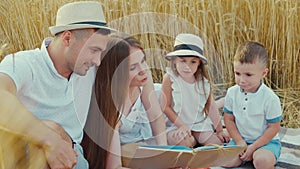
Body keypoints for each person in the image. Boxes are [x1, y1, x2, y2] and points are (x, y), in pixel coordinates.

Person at [0, 1, 114, 169]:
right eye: (93, 50)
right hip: (27, 158)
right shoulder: (24, 63)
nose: (97, 61)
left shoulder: (87, 68)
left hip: (74, 157)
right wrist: (50, 139)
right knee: (49, 130)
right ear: (67, 38)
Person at [82, 33, 167, 169]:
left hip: (143, 132)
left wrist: (166, 155)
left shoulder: (145, 78)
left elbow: (156, 117)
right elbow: (114, 166)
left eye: (143, 61)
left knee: (182, 141)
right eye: (133, 67)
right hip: (124, 147)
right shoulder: (111, 104)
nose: (143, 70)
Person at [160, 33, 229, 148]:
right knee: (184, 143)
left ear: (199, 63)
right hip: (176, 124)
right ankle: (192, 142)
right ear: (174, 61)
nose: (187, 66)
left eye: (193, 62)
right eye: (183, 61)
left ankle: (196, 141)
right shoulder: (170, 78)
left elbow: (210, 106)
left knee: (216, 144)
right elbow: (165, 106)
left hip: (198, 124)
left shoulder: (202, 81)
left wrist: (219, 130)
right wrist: (182, 126)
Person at [222, 41, 282, 169]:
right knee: (225, 161)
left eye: (248, 75)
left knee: (262, 162)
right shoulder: (232, 93)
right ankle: (243, 154)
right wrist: (239, 142)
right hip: (240, 141)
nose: (242, 80)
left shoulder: (270, 98)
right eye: (237, 73)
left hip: (266, 143)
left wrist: (253, 147)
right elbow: (229, 119)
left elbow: (274, 128)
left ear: (263, 73)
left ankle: (259, 156)